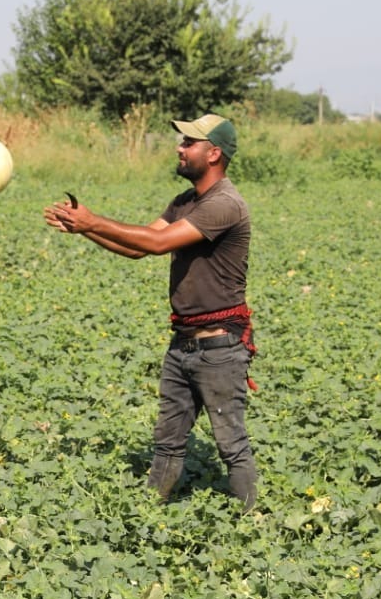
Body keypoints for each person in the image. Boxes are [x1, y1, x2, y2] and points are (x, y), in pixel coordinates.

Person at [43, 113, 257, 510]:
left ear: (213, 153)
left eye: (188, 143)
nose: (179, 148)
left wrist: (93, 219)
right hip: (184, 344)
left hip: (220, 346)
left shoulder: (225, 204)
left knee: (232, 444)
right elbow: (139, 246)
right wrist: (85, 228)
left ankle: (253, 523)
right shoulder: (185, 202)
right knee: (168, 440)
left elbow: (159, 245)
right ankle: (149, 515)